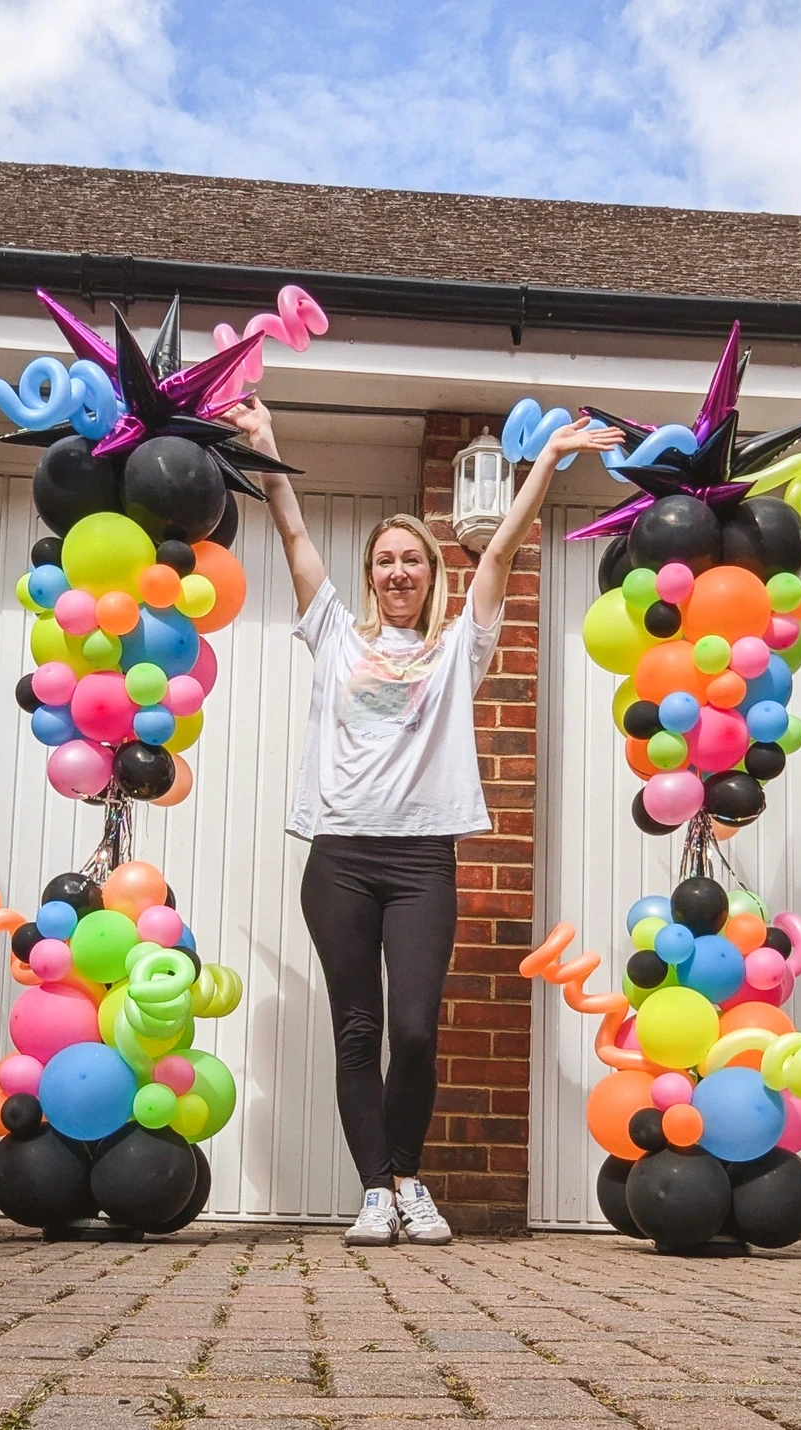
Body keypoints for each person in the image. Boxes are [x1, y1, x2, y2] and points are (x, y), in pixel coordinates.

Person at [230, 397, 622, 1246]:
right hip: (338, 858)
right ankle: (375, 1190)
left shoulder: (458, 649)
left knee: (413, 1028)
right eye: (385, 561)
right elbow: (295, 538)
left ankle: (410, 1177)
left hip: (420, 865)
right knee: (357, 1029)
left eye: (413, 559)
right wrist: (266, 449)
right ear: (370, 574)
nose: (399, 572)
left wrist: (548, 459)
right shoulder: (333, 632)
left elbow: (508, 545)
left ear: (431, 574)